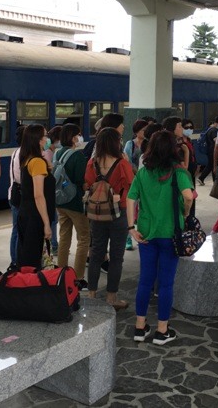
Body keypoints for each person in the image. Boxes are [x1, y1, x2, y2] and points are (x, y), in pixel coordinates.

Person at [127, 130, 194, 346]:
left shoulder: (143, 172)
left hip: (146, 233)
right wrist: (185, 212)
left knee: (145, 280)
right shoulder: (179, 173)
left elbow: (130, 199)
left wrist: (131, 227)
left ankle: (140, 327)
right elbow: (187, 196)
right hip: (170, 234)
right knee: (165, 283)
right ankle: (162, 330)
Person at [84, 128, 134, 310]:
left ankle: (91, 294)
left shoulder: (92, 163)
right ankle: (112, 297)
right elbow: (131, 185)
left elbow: (88, 183)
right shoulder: (122, 163)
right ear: (115, 142)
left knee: (96, 254)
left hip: (97, 214)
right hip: (118, 215)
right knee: (116, 257)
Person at [54, 123, 89, 288]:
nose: (80, 137)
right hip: (75, 202)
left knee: (64, 236)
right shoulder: (77, 156)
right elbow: (81, 180)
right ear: (74, 137)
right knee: (83, 238)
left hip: (60, 201)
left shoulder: (57, 153)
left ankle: (60, 272)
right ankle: (79, 277)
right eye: (78, 134)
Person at [16, 124, 56, 268]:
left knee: (26, 255)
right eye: (45, 136)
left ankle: (26, 284)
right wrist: (46, 224)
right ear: (39, 140)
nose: (47, 139)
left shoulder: (27, 159)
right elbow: (39, 195)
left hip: (25, 213)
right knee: (33, 259)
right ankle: (32, 287)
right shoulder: (37, 162)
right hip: (36, 216)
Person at [8, 125, 26, 266]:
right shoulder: (26, 154)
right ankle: (18, 260)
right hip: (23, 196)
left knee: (15, 229)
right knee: (21, 230)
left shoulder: (16, 152)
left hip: (13, 194)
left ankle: (14, 260)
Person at [197, 117, 218, 186]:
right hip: (213, 150)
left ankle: (202, 178)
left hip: (209, 150)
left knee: (211, 165)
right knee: (213, 165)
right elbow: (215, 140)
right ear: (216, 123)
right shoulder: (214, 130)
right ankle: (212, 181)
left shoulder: (209, 129)